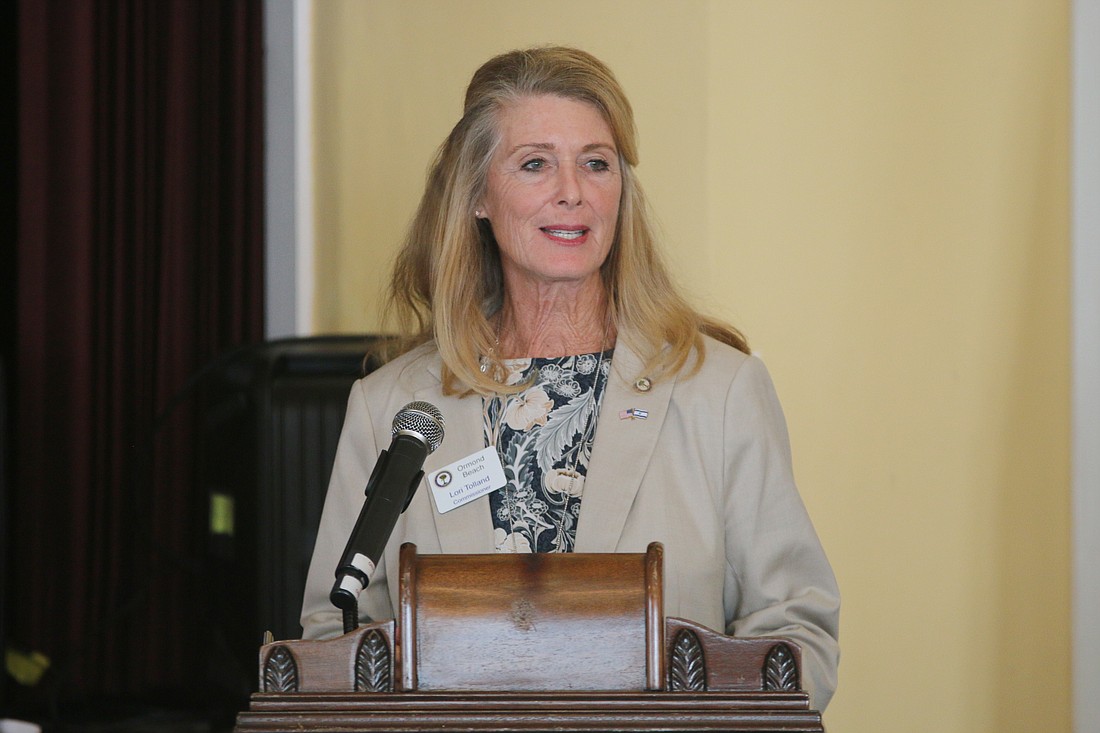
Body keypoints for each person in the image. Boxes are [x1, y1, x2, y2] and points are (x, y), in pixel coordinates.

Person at [300, 46, 840, 709]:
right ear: (477, 195)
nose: (572, 191)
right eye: (535, 163)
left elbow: (798, 636)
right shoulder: (392, 406)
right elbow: (333, 634)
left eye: (595, 163)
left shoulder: (720, 392)